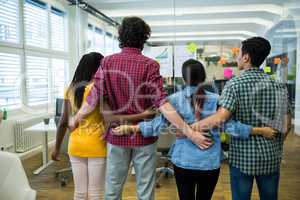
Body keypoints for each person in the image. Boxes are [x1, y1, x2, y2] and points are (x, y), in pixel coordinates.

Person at [70, 17, 209, 200]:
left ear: (120, 35)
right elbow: (162, 103)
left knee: (112, 189)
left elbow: (93, 96)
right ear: (144, 37)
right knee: (145, 190)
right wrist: (190, 133)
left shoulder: (108, 63)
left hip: (116, 136)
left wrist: (77, 118)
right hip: (144, 136)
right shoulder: (150, 65)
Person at [113, 59, 277, 200]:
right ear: (203, 76)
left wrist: (130, 128)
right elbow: (231, 126)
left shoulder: (174, 100)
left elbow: (156, 125)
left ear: (184, 78)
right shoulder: (216, 99)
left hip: (184, 162)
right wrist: (261, 130)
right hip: (210, 162)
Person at [191, 37, 292, 200]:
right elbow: (286, 126)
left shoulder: (234, 85)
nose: (237, 58)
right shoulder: (279, 85)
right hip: (271, 157)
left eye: (239, 54)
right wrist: (276, 145)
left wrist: (193, 126)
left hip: (242, 159)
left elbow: (221, 120)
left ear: (246, 57)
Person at [51, 52, 154, 200]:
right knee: (95, 193)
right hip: (97, 145)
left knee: (79, 193)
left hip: (75, 145)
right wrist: (143, 114)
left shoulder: (70, 89)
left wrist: (56, 148)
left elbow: (62, 123)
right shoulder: (98, 89)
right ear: (98, 68)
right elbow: (111, 118)